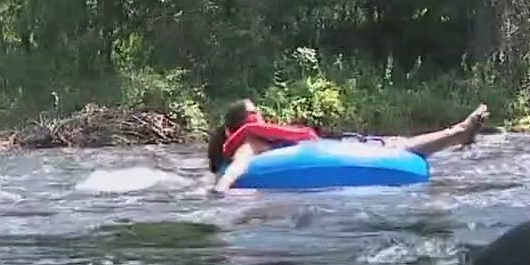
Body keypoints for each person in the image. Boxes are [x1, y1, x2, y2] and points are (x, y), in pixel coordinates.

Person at [206, 98, 490, 193]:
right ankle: (458, 132)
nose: (262, 119)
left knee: (395, 144)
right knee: (399, 147)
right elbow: (240, 164)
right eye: (257, 115)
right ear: (245, 123)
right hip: (303, 166)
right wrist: (222, 191)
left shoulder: (255, 138)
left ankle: (458, 133)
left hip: (321, 155)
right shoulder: (251, 140)